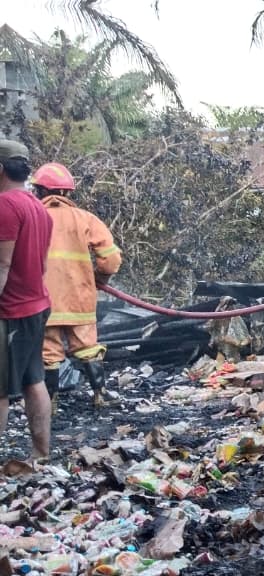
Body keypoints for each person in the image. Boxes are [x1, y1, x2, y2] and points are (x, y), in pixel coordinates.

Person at [31, 162, 123, 410]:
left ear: (40, 190)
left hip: (43, 301)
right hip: (79, 298)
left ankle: (49, 402)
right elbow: (111, 259)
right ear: (67, 192)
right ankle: (100, 394)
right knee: (88, 347)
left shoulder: (31, 217)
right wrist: (100, 279)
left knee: (48, 353)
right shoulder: (85, 218)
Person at [0, 140, 54, 460]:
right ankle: (41, 455)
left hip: (11, 310)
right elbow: (43, 265)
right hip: (37, 306)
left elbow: (2, 264)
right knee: (34, 380)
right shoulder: (38, 207)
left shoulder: (5, 205)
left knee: (1, 390)